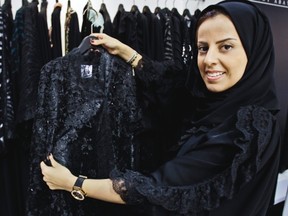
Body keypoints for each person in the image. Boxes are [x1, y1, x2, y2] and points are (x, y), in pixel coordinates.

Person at [40, 1, 281, 215]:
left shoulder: (248, 129)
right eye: (203, 48)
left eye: (226, 46)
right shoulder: (213, 101)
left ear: (254, 50)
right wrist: (127, 53)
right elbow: (173, 87)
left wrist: (73, 183)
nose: (208, 60)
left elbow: (159, 187)